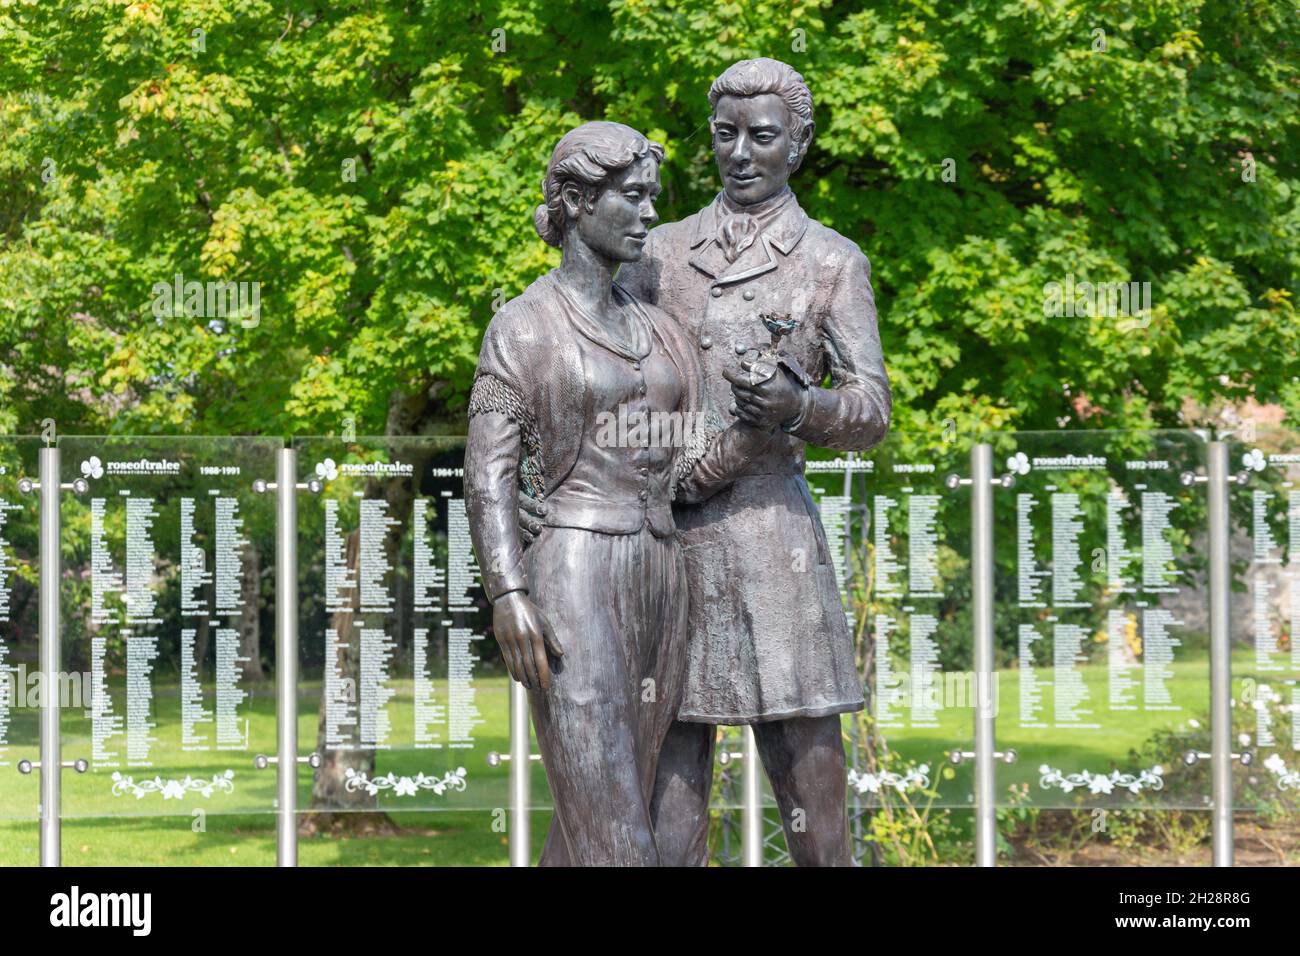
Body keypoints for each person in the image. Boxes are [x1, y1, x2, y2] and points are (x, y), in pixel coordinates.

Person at [615, 58, 893, 866]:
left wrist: (803, 409)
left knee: (810, 781)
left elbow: (871, 409)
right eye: (724, 135)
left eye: (761, 137)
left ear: (798, 144)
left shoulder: (832, 261)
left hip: (775, 544)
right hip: (670, 539)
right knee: (668, 778)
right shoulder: (657, 252)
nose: (740, 153)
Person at [464, 121, 763, 866]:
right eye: (631, 198)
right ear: (574, 201)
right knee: (613, 831)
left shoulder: (662, 333)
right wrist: (506, 590)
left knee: (640, 817)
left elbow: (692, 462)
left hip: (664, 575)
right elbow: (489, 471)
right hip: (574, 574)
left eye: (651, 197)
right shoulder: (523, 327)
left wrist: (772, 421)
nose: (649, 214)